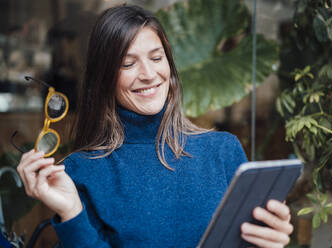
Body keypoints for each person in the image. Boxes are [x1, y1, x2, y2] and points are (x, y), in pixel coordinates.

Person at [16, 4, 293, 248]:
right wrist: (72, 212)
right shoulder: (83, 170)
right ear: (104, 78)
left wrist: (268, 243)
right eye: (128, 63)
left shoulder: (223, 152)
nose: (149, 75)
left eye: (157, 58)